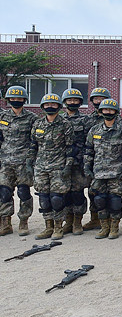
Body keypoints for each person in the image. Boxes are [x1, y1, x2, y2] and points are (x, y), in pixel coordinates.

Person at [84, 99, 122, 239]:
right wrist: (87, 167)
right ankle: (104, 226)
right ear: (101, 112)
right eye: (105, 110)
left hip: (116, 173)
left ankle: (114, 227)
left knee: (115, 201)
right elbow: (88, 151)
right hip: (98, 173)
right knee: (100, 200)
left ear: (116, 112)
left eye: (111, 110)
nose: (108, 112)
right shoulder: (94, 130)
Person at [31, 93, 75, 240]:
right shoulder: (37, 124)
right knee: (44, 198)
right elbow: (33, 146)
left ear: (59, 107)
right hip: (41, 167)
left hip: (58, 167)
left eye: (53, 104)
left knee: (57, 198)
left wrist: (68, 166)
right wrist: (30, 164)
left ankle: (58, 227)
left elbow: (70, 148)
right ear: (43, 107)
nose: (50, 107)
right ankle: (48, 227)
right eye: (47, 104)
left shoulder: (65, 125)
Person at [0, 86, 36, 236]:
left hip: (24, 162)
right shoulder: (2, 117)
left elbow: (36, 141)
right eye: (13, 99)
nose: (16, 101)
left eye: (19, 98)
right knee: (4, 193)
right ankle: (6, 222)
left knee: (23, 192)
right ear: (8, 100)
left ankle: (23, 221)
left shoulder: (32, 118)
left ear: (24, 100)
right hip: (5, 162)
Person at [60, 88, 89, 235]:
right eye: (70, 100)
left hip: (79, 163)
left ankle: (78, 221)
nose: (72, 102)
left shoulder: (85, 120)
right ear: (65, 102)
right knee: (65, 193)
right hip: (61, 162)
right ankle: (68, 220)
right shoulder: (59, 119)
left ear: (80, 102)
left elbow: (89, 142)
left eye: (75, 100)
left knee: (77, 193)